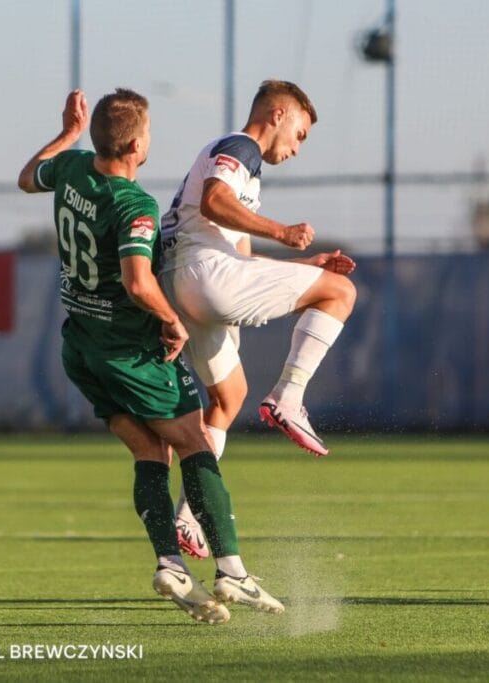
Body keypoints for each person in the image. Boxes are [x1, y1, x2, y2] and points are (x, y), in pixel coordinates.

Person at [17, 88, 283, 624]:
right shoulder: (134, 205)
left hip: (81, 347)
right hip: (129, 349)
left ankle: (170, 563)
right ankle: (232, 570)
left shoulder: (69, 168)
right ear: (138, 144)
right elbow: (139, 283)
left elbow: (28, 177)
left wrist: (68, 134)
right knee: (195, 443)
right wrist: (170, 319)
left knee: (148, 452)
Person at [157, 80, 356, 558]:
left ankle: (187, 518)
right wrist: (283, 232)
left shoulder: (246, 171)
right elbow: (213, 200)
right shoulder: (241, 147)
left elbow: (241, 257)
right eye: (301, 134)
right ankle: (289, 398)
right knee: (342, 292)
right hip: (203, 274)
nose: (297, 148)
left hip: (190, 283)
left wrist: (302, 268)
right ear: (279, 115)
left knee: (228, 398)